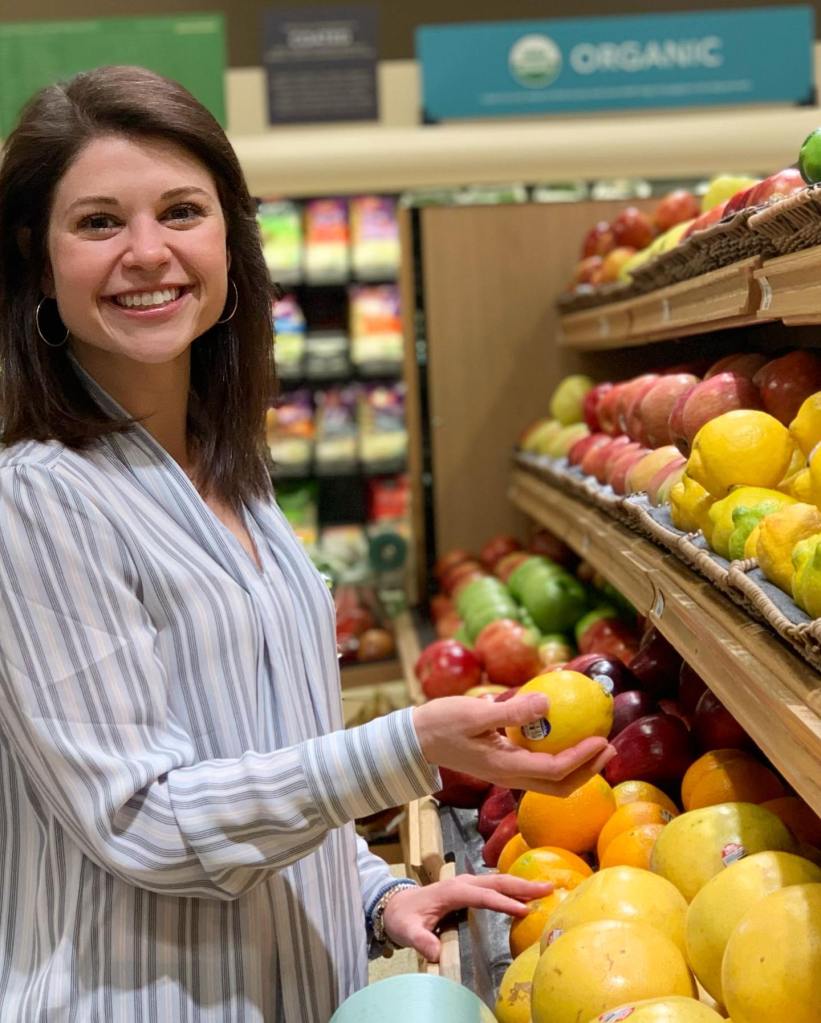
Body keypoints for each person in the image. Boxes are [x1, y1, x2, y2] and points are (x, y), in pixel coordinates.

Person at [0, 66, 613, 1022]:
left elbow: (267, 750)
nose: (148, 252)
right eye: (98, 222)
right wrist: (406, 745)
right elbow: (141, 819)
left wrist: (370, 890)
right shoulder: (37, 500)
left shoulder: (226, 469)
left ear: (230, 241)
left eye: (181, 211)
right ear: (39, 264)